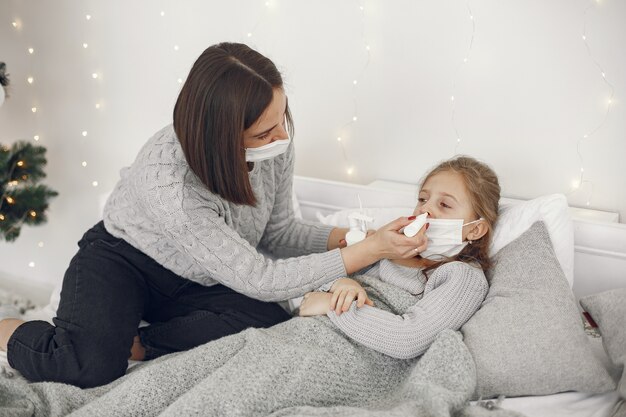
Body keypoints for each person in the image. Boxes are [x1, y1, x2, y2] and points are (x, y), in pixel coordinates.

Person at [0, 42, 428, 388]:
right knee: (89, 366)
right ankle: (8, 329)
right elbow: (259, 278)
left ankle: (142, 343)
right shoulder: (169, 182)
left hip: (197, 275)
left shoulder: (274, 147)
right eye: (265, 131)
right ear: (221, 136)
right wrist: (370, 249)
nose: (281, 137)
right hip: (123, 258)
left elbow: (278, 233)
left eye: (283, 120)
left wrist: (357, 238)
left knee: (271, 315)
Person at [298, 156, 500, 359]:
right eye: (423, 199)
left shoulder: (463, 277)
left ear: (475, 229)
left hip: (338, 357)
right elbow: (311, 286)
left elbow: (408, 340)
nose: (425, 209)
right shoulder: (386, 249)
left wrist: (332, 306)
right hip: (301, 335)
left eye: (445, 205)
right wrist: (340, 284)